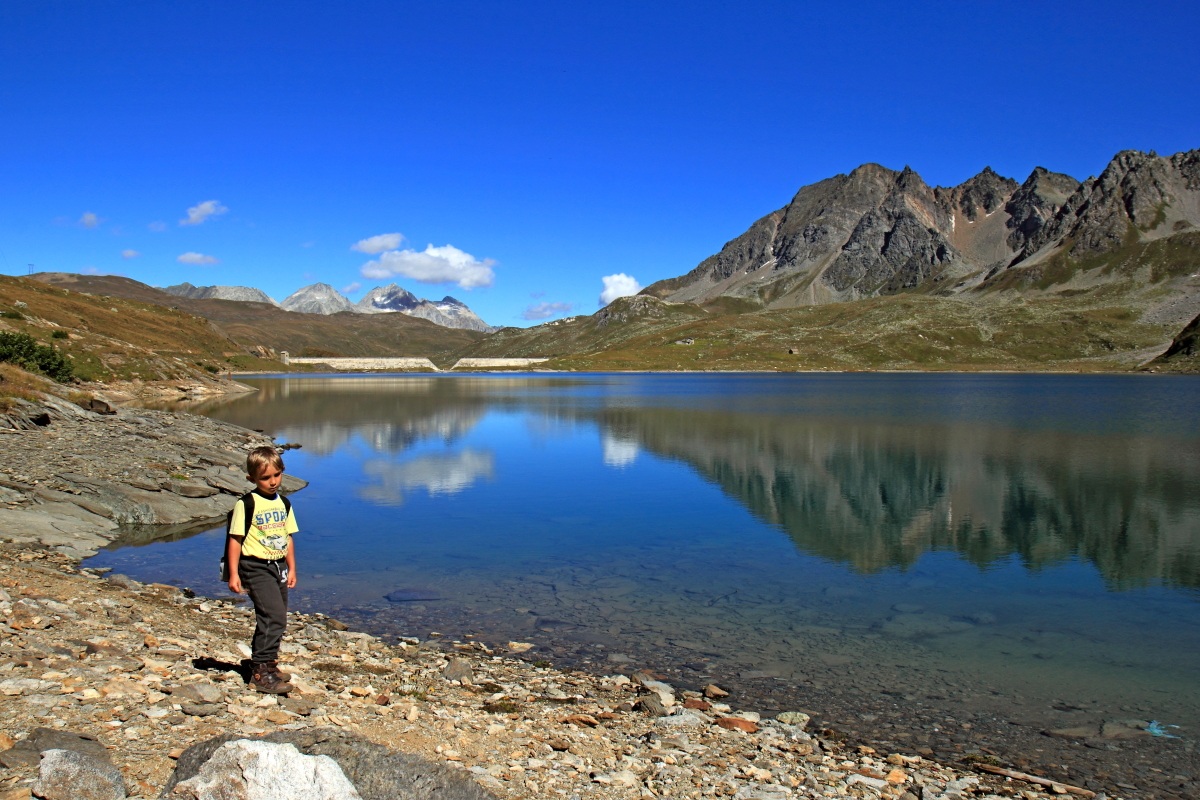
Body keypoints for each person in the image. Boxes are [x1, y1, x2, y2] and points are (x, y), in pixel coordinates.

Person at [226, 445, 298, 694]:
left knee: (277, 617)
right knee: (273, 616)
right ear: (252, 479)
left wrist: (292, 568)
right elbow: (235, 539)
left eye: (276, 475)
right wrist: (234, 574)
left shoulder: (284, 503)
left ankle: (268, 663)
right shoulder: (246, 504)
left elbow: (287, 537)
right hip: (254, 566)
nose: (273, 482)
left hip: (278, 566)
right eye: (265, 478)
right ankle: (259, 672)